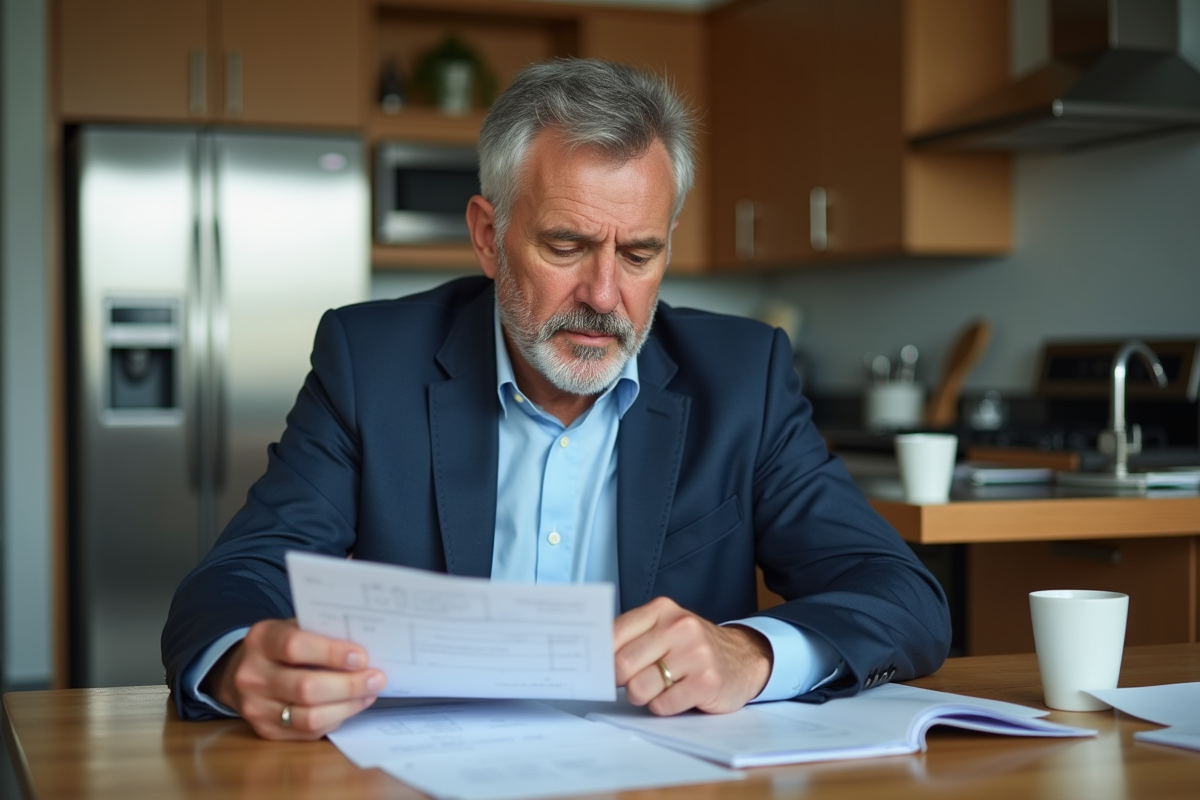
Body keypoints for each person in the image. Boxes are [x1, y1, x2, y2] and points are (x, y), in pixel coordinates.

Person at [162, 58, 951, 741]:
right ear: (487, 234)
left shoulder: (743, 377)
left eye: (639, 253)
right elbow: (239, 577)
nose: (605, 295)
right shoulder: (372, 362)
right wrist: (238, 662)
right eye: (566, 246)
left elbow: (902, 597)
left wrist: (753, 653)